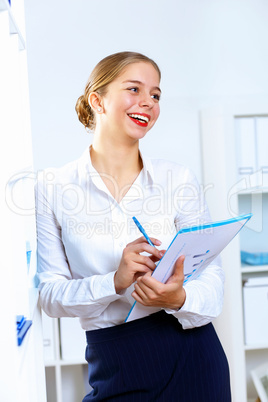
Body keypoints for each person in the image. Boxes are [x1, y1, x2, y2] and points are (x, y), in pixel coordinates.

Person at [36, 51, 231, 401]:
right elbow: (50, 296)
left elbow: (212, 277)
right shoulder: (53, 187)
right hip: (115, 359)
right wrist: (114, 281)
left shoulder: (177, 179)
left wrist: (180, 296)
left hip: (191, 353)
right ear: (98, 100)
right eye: (134, 89)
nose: (148, 103)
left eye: (156, 95)